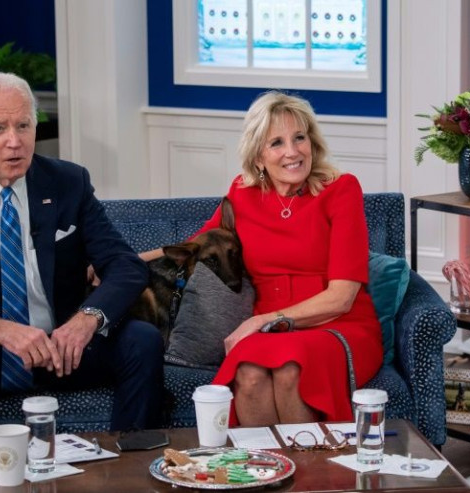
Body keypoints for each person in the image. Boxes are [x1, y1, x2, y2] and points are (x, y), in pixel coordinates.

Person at [0, 72, 164, 493]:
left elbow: (126, 266)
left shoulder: (68, 181)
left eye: (23, 125)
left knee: (141, 341)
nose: (14, 141)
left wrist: (87, 318)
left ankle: (126, 476)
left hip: (63, 350)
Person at [143, 91, 383, 426]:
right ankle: (265, 472)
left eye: (300, 138)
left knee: (289, 372)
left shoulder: (341, 190)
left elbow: (342, 298)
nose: (292, 151)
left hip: (335, 324)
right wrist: (127, 260)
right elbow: (197, 244)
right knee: (249, 375)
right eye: (277, 143)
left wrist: (262, 321)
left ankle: (314, 476)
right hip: (270, 330)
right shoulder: (242, 193)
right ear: (258, 156)